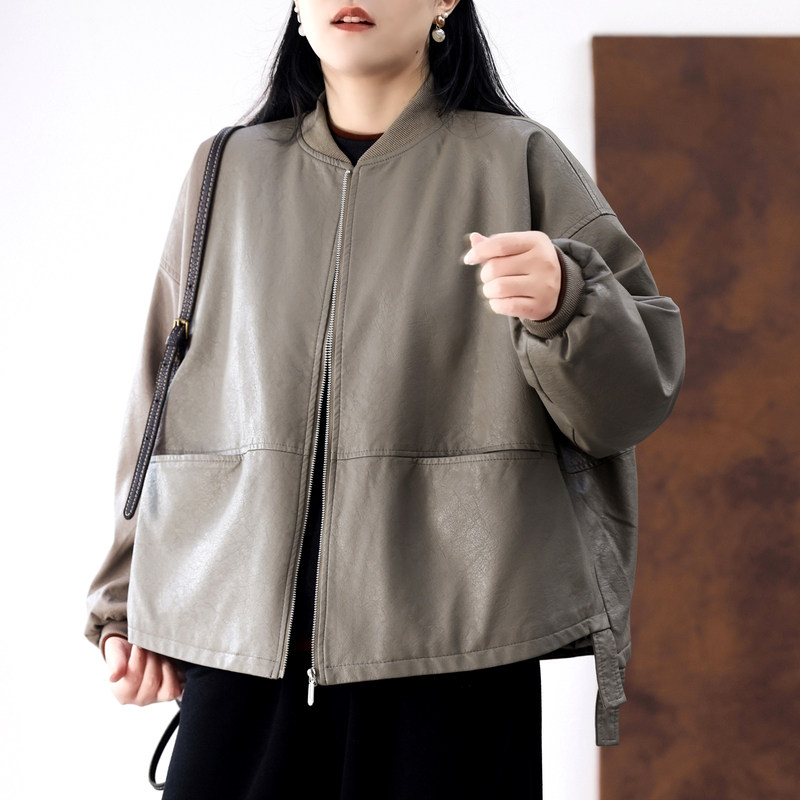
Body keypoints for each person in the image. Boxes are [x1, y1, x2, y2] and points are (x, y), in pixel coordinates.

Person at [86, 1, 685, 797]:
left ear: (444, 2)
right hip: (240, 647)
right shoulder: (226, 169)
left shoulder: (519, 159)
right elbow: (161, 395)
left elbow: (631, 403)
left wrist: (567, 302)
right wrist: (124, 603)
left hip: (457, 648)